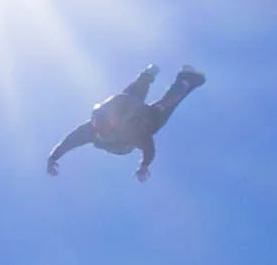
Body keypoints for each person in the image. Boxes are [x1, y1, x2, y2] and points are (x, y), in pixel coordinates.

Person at [46, 65, 206, 181]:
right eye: (99, 125)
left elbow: (69, 141)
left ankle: (151, 76)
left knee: (132, 97)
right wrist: (144, 165)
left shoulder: (117, 108)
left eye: (105, 122)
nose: (101, 126)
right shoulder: (93, 130)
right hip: (129, 136)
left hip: (130, 114)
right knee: (158, 114)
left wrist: (53, 158)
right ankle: (185, 80)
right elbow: (71, 141)